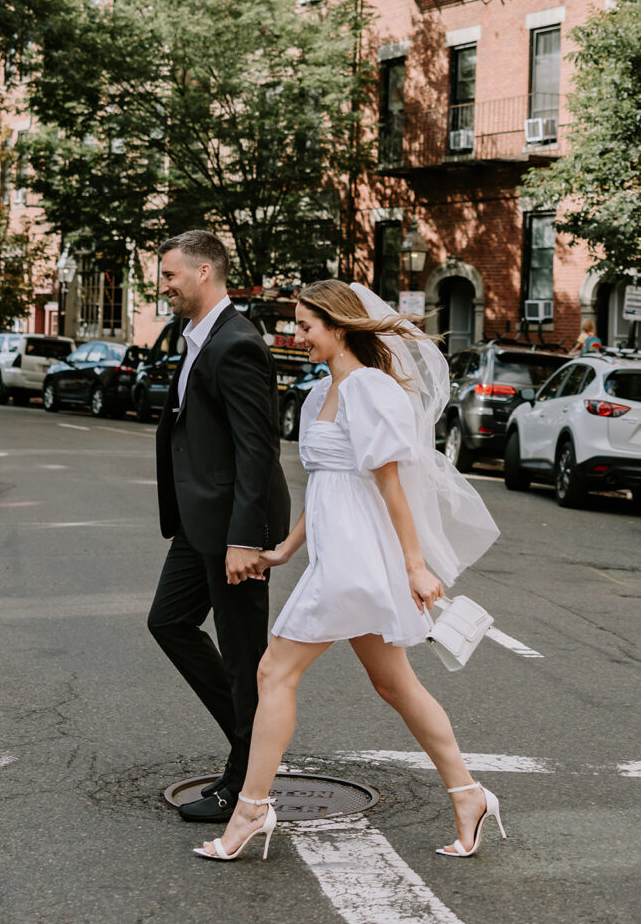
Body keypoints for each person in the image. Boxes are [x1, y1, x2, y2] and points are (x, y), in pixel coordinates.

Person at [193, 279, 504, 862]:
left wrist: (415, 565)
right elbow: (330, 483)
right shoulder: (318, 395)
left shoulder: (369, 389)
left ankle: (252, 808)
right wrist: (286, 550)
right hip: (334, 555)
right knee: (395, 684)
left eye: (307, 326)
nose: (298, 335)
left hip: (358, 559)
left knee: (273, 673)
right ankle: (470, 795)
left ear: (339, 328)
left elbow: (388, 485)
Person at [148, 230, 291, 823]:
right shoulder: (198, 337)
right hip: (197, 522)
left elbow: (258, 450)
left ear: (204, 272)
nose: (164, 285)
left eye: (170, 275)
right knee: (169, 621)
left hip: (234, 527)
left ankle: (246, 784)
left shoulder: (236, 343)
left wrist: (244, 539)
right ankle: (247, 745)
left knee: (244, 656)